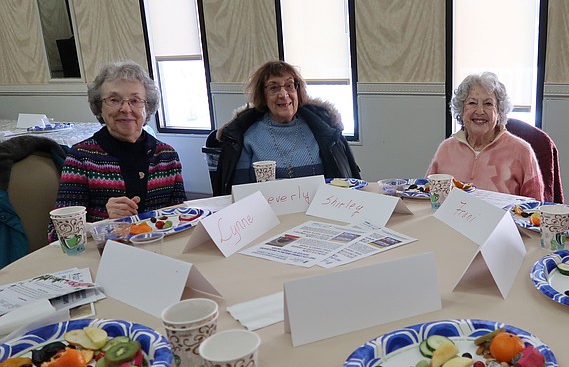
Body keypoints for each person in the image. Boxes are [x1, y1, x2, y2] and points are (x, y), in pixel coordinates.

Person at [51, 61, 186, 225]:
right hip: (104, 250)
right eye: (114, 100)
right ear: (99, 107)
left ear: (148, 107)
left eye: (135, 100)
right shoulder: (80, 158)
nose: (126, 109)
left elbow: (181, 218)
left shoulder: (167, 156)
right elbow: (59, 231)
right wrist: (106, 222)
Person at [213, 60, 360, 195]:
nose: (284, 95)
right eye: (274, 88)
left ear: (297, 90)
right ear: (263, 96)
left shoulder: (323, 129)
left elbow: (344, 183)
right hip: (267, 216)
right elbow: (241, 192)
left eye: (289, 86)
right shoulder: (248, 135)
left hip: (321, 212)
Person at [426, 72, 544, 199]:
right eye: (472, 103)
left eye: (488, 104)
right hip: (447, 219)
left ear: (499, 112)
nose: (480, 111)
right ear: (461, 110)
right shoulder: (446, 149)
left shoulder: (522, 151)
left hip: (505, 219)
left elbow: (535, 207)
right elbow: (427, 195)